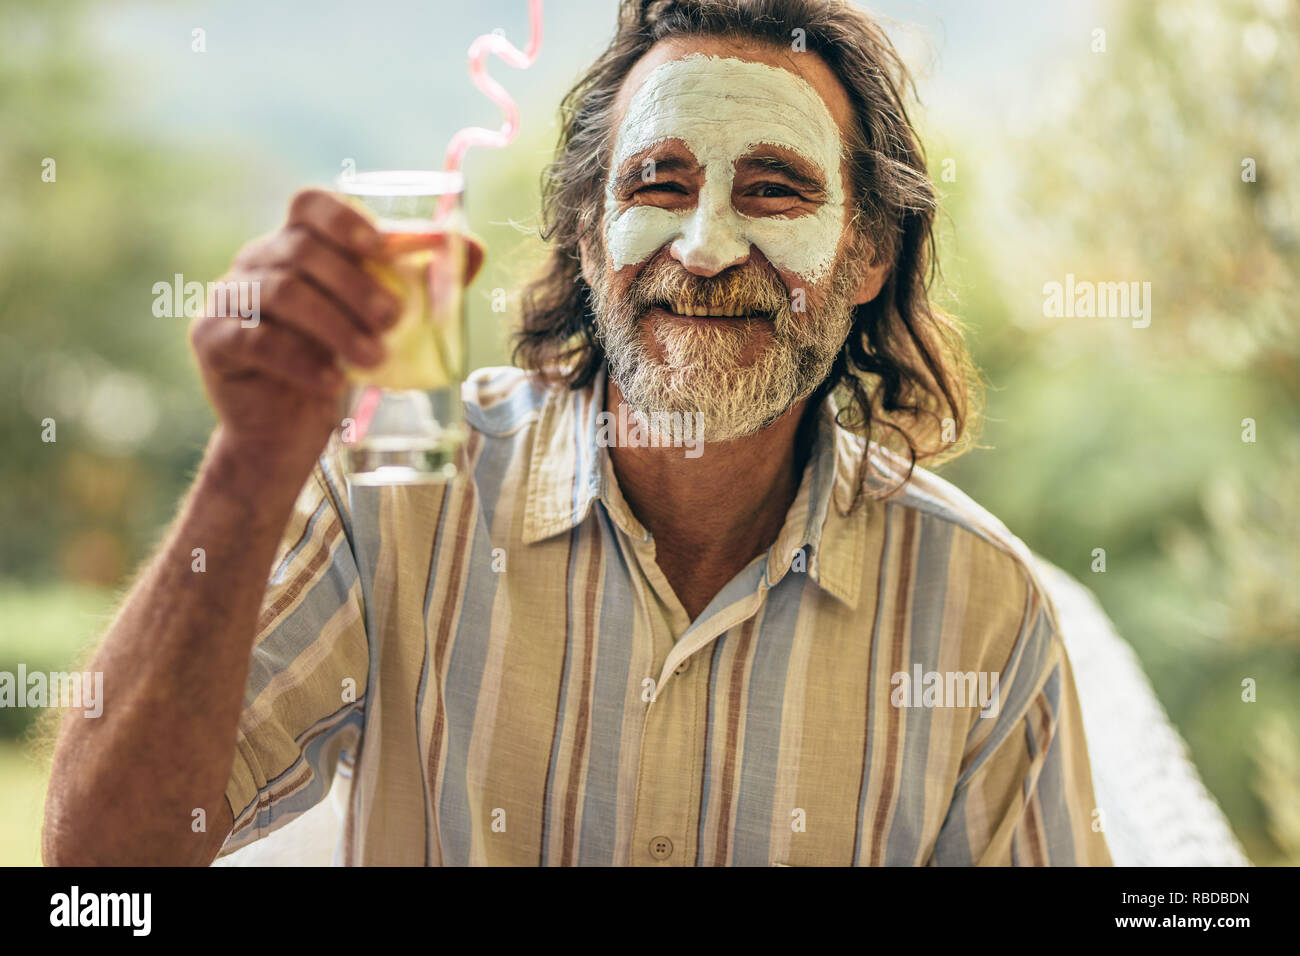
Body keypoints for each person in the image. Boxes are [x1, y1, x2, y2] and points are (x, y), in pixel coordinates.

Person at [43, 0, 1112, 866]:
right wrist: (250, 463)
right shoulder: (397, 498)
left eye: (775, 188)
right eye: (660, 183)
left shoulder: (980, 608)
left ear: (870, 254)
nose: (703, 248)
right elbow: (95, 871)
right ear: (589, 236)